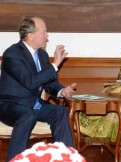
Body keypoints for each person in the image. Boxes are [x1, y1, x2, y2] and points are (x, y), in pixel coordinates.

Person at [0, 16, 76, 161]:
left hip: (34, 105)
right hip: (10, 106)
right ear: (30, 35)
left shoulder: (42, 55)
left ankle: (65, 158)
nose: (47, 36)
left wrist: (61, 91)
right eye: (44, 31)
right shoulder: (12, 54)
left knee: (60, 111)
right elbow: (30, 82)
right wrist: (55, 65)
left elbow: (49, 83)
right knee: (27, 115)